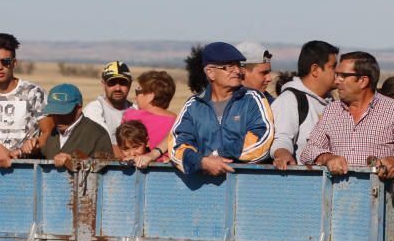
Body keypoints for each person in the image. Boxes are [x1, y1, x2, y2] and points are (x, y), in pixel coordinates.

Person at [140, 42, 271, 175]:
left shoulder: (252, 100)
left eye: (238, 65)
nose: (237, 71)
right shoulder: (193, 106)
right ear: (210, 73)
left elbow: (262, 139)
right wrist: (202, 162)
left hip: (244, 185)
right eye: (229, 67)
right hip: (202, 191)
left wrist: (216, 156)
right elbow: (177, 146)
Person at [300, 51, 394, 180]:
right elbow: (308, 151)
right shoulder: (331, 110)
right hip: (337, 197)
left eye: (343, 76)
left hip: (380, 196)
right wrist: (327, 158)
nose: (336, 80)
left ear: (363, 81)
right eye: (337, 74)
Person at [0, 33, 49, 168]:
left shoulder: (34, 92)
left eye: (5, 62)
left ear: (14, 63)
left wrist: (28, 148)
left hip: (28, 169)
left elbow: (48, 134)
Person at [270, 40, 338, 169]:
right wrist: (282, 154)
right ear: (315, 70)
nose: (338, 71)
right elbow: (282, 137)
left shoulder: (333, 103)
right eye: (333, 66)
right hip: (301, 184)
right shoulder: (290, 100)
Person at [37, 84, 113, 169]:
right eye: (54, 112)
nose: (58, 117)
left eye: (63, 112)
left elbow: (107, 169)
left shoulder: (98, 134)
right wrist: (30, 151)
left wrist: (75, 162)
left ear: (79, 108)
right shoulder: (52, 133)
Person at [83, 61, 134, 154]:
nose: (118, 88)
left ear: (130, 84)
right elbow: (103, 145)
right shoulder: (94, 109)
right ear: (103, 84)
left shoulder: (136, 109)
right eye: (112, 83)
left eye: (123, 83)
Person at [121, 70, 177, 150]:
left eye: (138, 91)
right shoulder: (178, 122)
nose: (135, 97)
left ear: (150, 96)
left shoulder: (131, 116)